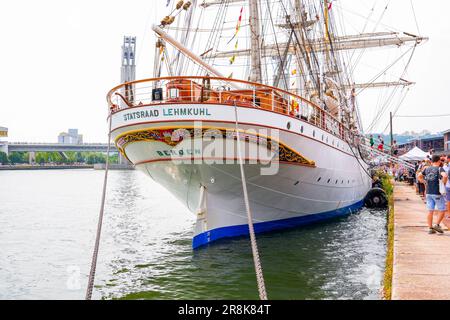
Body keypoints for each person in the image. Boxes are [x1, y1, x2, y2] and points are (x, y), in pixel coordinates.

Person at [418, 155, 448, 234]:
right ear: (439, 161)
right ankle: (437, 225)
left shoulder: (427, 169)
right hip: (437, 192)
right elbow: (445, 176)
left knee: (430, 211)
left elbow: (419, 176)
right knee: (442, 209)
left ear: (432, 161)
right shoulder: (439, 168)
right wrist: (443, 183)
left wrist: (424, 182)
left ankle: (430, 228)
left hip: (428, 192)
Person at [443, 155, 450, 229]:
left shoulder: (446, 167)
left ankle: (449, 214)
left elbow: (444, 176)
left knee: (448, 200)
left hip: (448, 185)